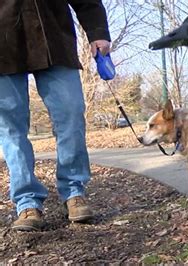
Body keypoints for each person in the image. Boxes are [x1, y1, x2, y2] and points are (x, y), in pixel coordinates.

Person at [0, 0, 111, 231]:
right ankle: (26, 202)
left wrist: (97, 31)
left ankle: (73, 192)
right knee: (10, 129)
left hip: (54, 39)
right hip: (3, 46)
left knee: (71, 111)